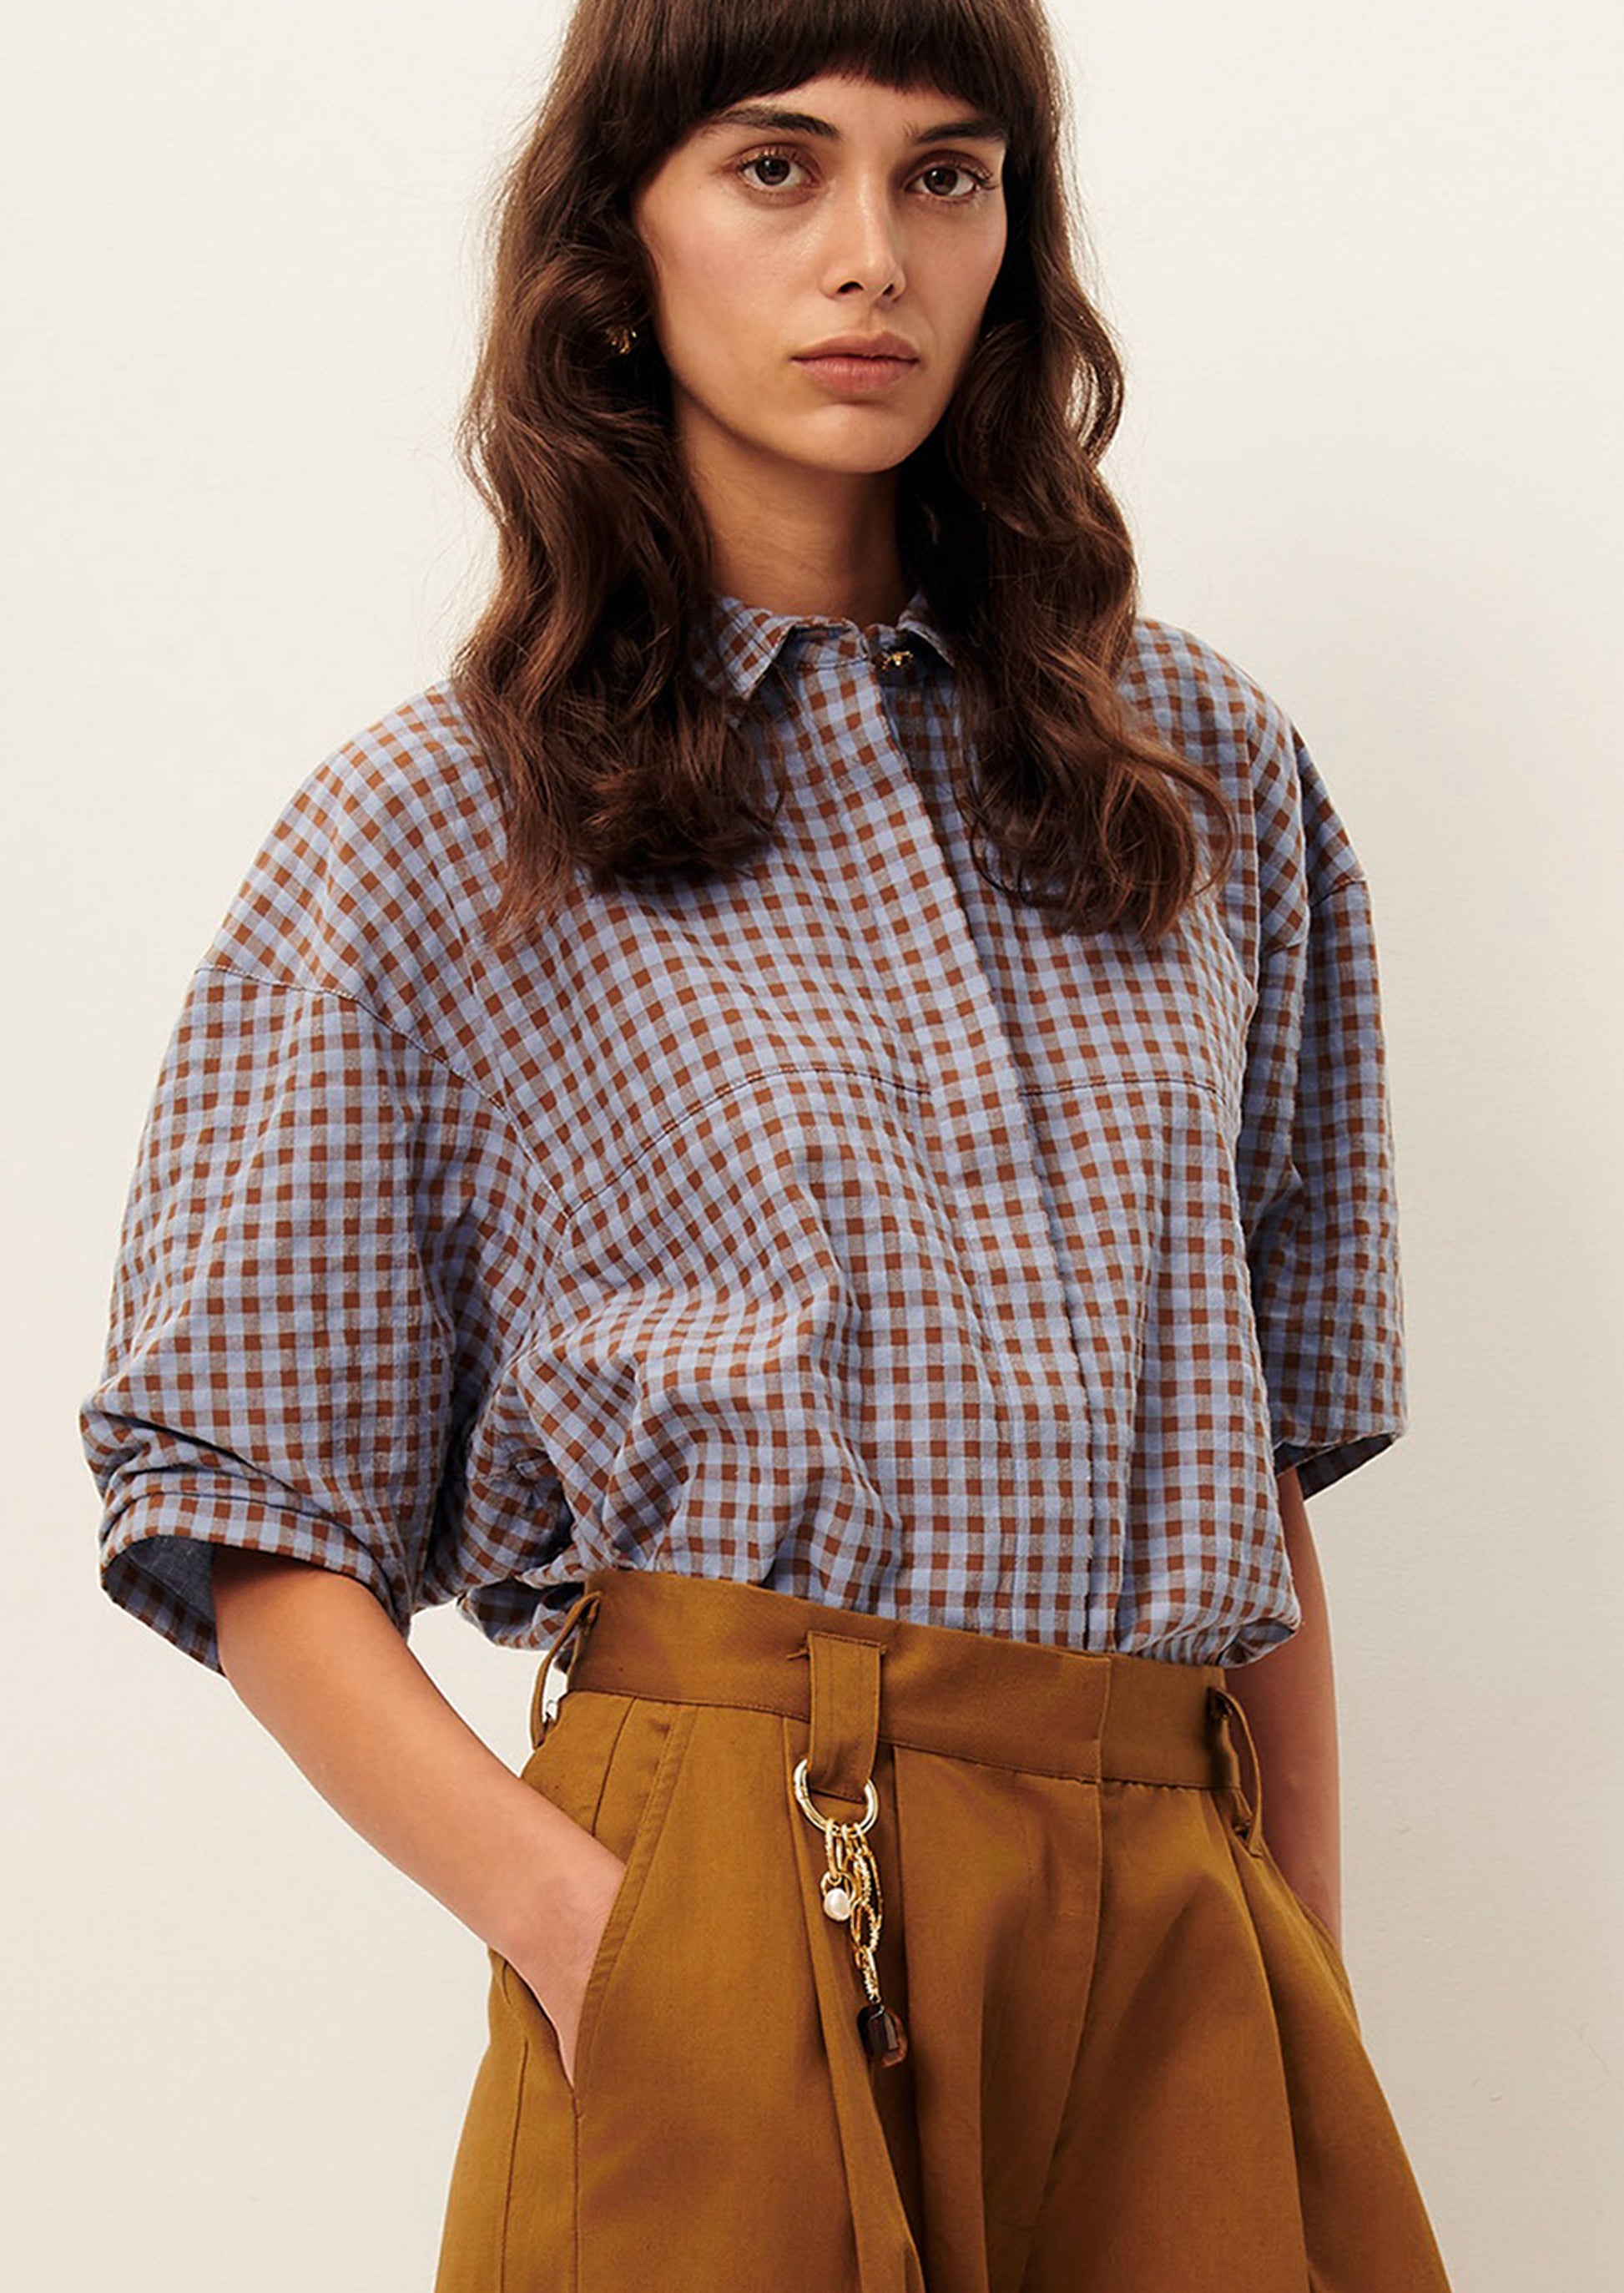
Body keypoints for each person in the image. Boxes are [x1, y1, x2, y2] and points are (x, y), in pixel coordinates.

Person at [81, 2, 1457, 2286]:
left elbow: (1262, 1449)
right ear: (617, 246)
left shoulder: (1192, 774)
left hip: (1176, 1899)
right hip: (733, 1856)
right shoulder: (444, 826)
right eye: (773, 168)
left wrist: (1299, 1952)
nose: (871, 260)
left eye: (945, 176)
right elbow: (237, 1497)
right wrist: (596, 1929)